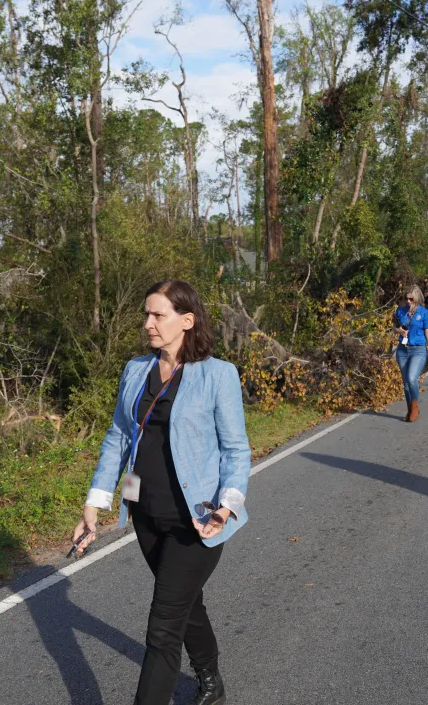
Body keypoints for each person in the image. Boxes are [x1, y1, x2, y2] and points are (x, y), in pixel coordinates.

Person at [73, 279, 251, 705]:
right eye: (146, 314)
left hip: (198, 520)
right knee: (185, 605)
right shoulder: (136, 370)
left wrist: (226, 509)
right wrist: (96, 501)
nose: (148, 323)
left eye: (158, 315)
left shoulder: (217, 375)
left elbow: (236, 450)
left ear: (186, 320)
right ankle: (211, 679)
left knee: (162, 628)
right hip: (146, 514)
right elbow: (118, 436)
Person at [394, 285, 428, 422]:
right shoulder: (400, 311)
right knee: (406, 382)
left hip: (418, 350)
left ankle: (416, 407)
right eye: (406, 299)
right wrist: (399, 331)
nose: (408, 302)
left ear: (417, 298)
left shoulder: (425, 314)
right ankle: (410, 410)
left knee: (412, 378)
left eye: (411, 299)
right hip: (403, 349)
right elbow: (394, 326)